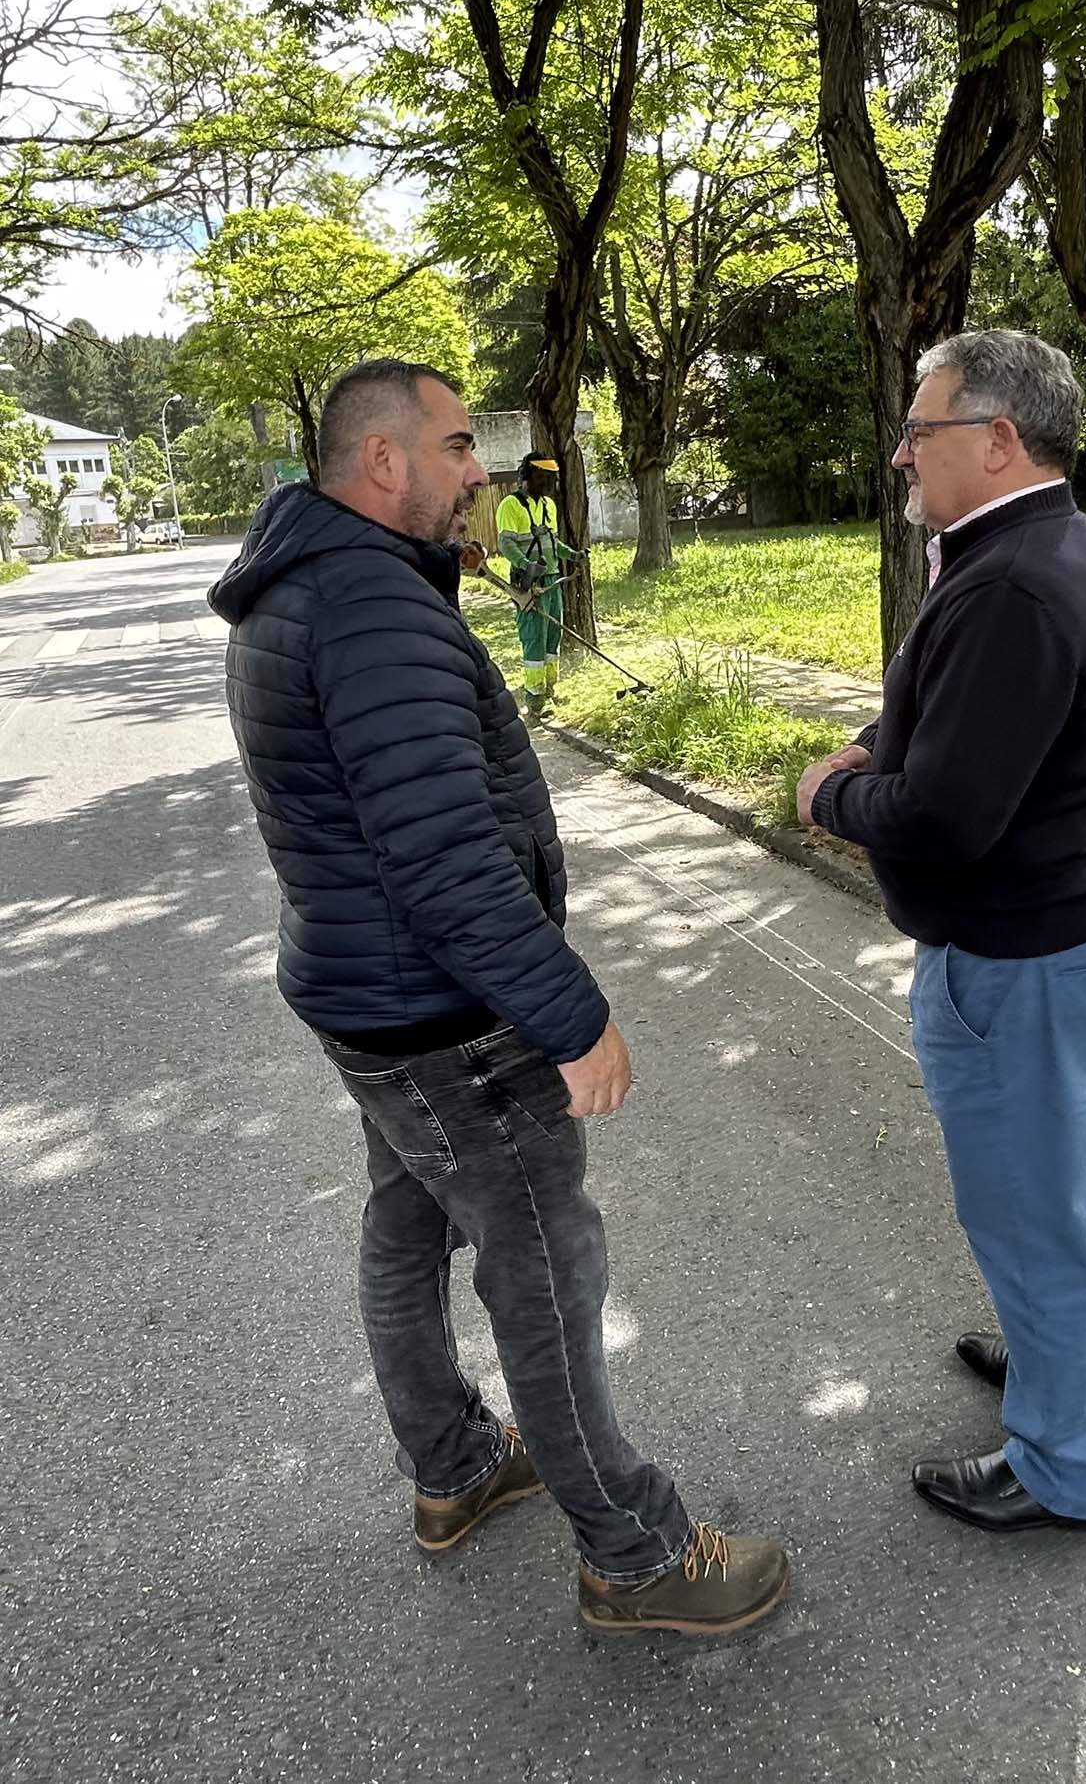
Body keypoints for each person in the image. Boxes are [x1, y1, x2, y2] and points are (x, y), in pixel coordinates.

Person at [209, 358, 788, 1636]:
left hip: (371, 1005)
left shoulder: (305, 586)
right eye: (458, 444)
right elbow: (442, 857)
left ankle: (457, 1468)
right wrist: (571, 1014)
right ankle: (635, 1554)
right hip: (449, 1018)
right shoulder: (366, 606)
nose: (481, 470)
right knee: (545, 1261)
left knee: (407, 1228)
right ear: (380, 461)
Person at [796, 329, 1086, 1538]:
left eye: (922, 427)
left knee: (1027, 1209)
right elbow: (959, 717)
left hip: (1022, 956)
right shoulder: (1036, 542)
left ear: (999, 439)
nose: (901, 447)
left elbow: (946, 817)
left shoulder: (1010, 578)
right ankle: (1084, 1374)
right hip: (1074, 923)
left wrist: (827, 795)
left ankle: (1061, 1466)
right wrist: (878, 740)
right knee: (1062, 1181)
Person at [496, 452, 569, 718]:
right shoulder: (510, 505)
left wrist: (572, 555)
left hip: (551, 579)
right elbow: (506, 543)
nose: (545, 484)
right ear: (527, 476)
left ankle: (550, 690)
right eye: (540, 478)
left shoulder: (549, 504)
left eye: (548, 479)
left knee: (552, 635)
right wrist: (527, 564)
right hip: (528, 583)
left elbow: (552, 541)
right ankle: (534, 701)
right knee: (534, 639)